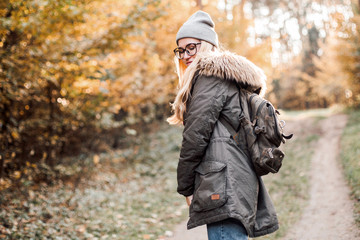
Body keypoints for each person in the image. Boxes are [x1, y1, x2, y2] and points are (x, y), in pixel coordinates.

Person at [167, 10, 279, 239]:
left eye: (192, 47)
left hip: (223, 181)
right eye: (181, 49)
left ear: (207, 45)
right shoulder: (223, 78)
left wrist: (185, 186)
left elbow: (195, 137)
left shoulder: (209, 77)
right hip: (233, 176)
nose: (186, 54)